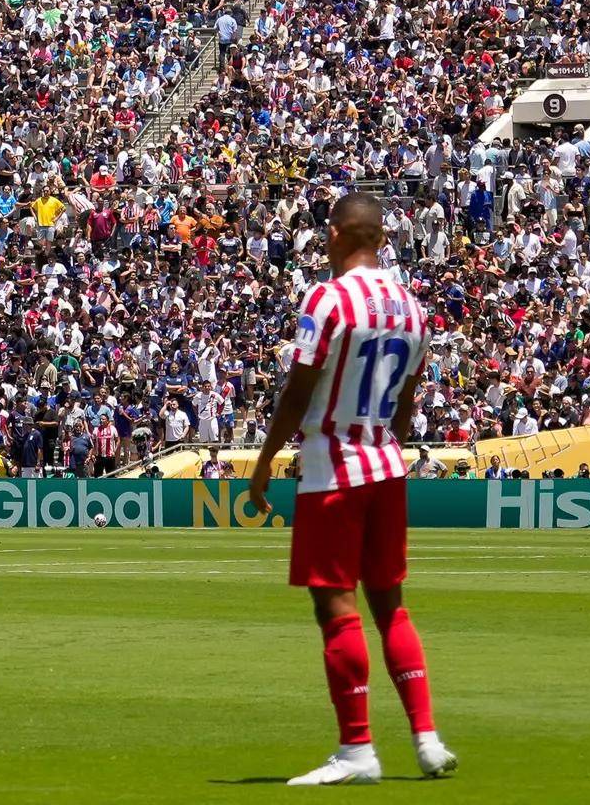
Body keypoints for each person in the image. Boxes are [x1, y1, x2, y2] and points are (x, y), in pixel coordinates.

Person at [249, 194, 455, 786]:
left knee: (334, 604)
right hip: (386, 463)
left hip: (332, 466)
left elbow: (297, 388)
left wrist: (265, 462)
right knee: (390, 604)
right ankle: (426, 739)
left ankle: (357, 750)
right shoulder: (414, 308)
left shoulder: (327, 298)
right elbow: (409, 409)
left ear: (338, 234)